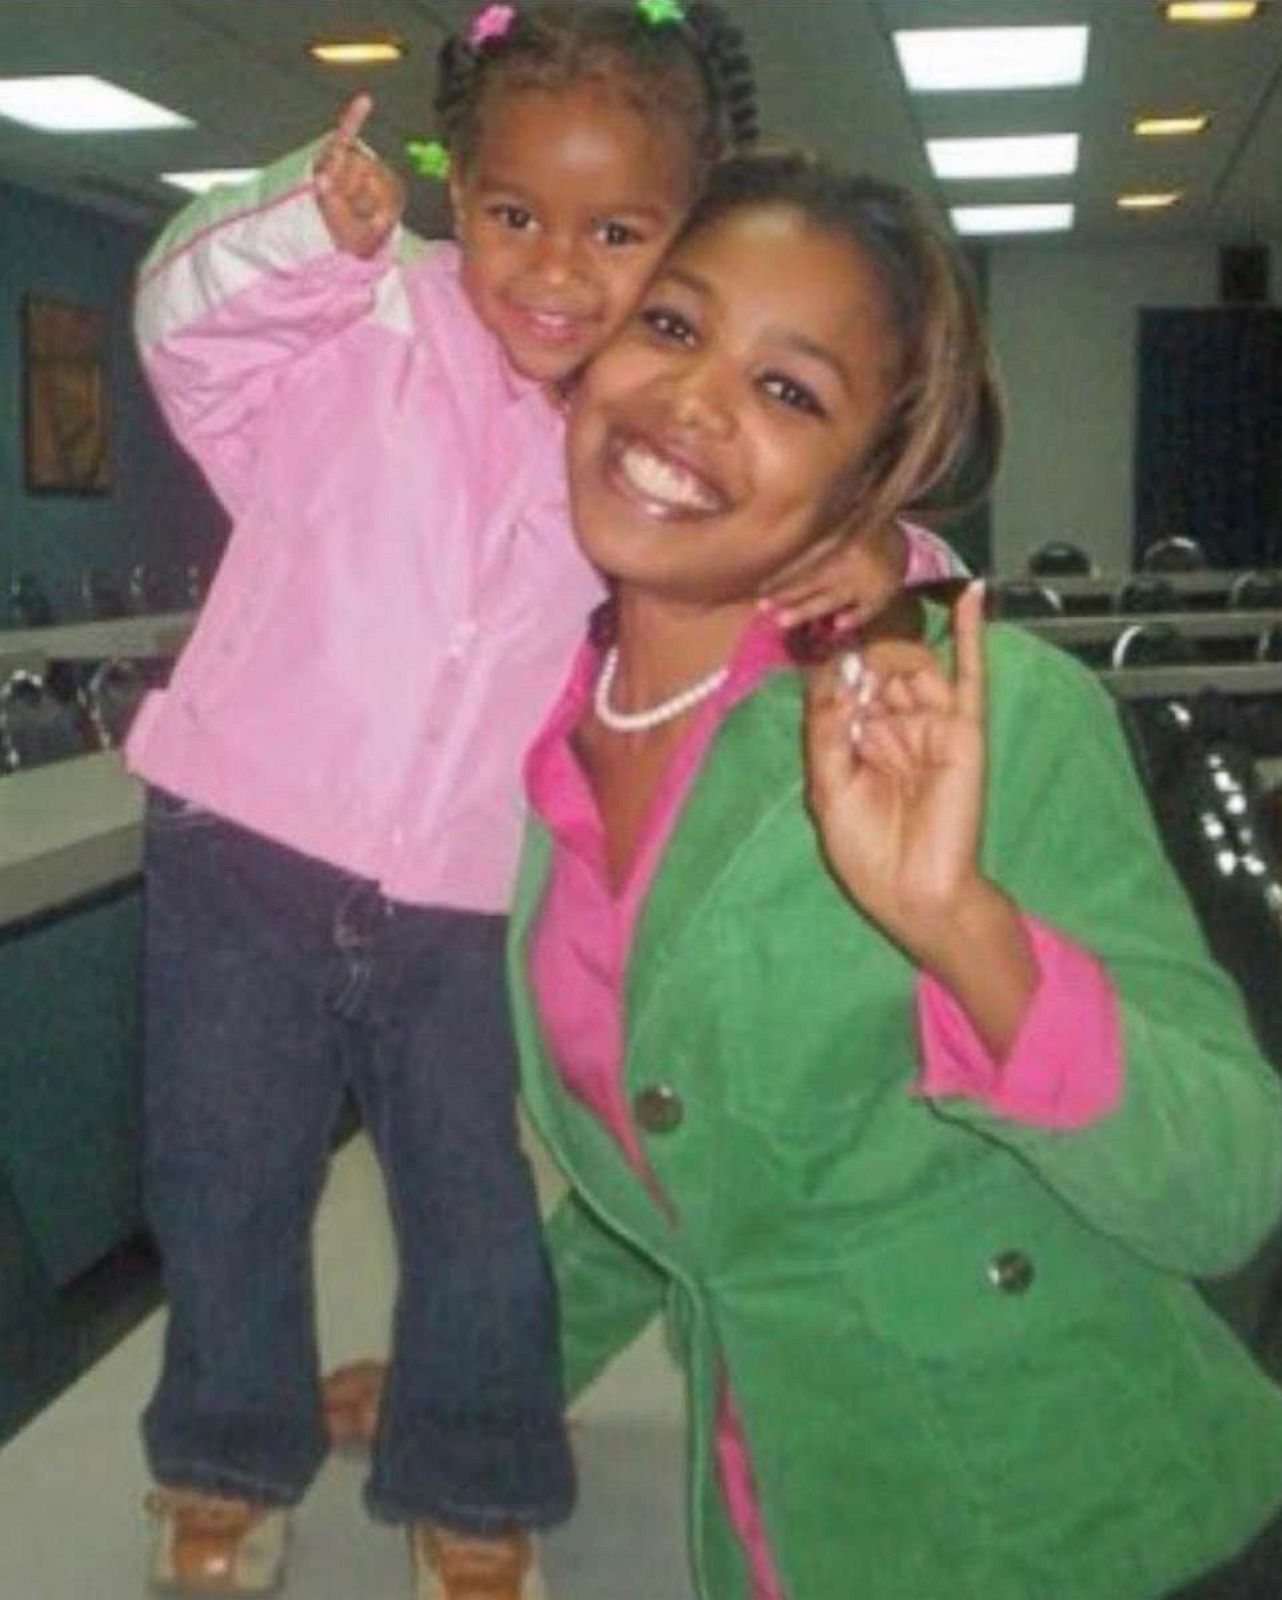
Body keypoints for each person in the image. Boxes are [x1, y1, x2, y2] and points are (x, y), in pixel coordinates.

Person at [129, 5, 960, 1596]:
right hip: (242, 841)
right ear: (457, 190)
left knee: (476, 1209)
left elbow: (798, 541)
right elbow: (183, 319)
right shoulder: (356, 324)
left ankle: (478, 1478)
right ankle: (221, 1462)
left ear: (686, 236)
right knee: (221, 1179)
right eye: (513, 215)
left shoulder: (650, 425)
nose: (555, 272)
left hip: (470, 890)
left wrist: (890, 572)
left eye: (619, 234)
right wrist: (300, 222)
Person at [503, 151, 1282, 1600]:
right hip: (781, 1530)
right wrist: (481, 1374)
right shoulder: (542, 753)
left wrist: (955, 928)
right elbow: (674, 1173)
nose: (690, 400)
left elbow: (1234, 1185)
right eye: (671, 326)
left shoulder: (976, 719)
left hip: (1098, 1534)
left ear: (863, 484)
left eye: (789, 391)